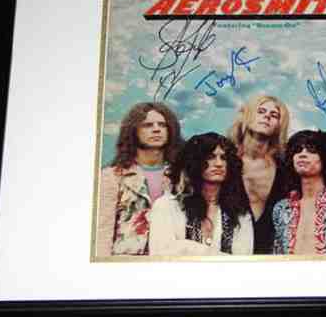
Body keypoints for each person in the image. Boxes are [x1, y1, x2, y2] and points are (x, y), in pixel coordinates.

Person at [95, 102, 183, 257]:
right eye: (147, 125)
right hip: (126, 263)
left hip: (170, 260)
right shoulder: (112, 177)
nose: (156, 129)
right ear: (133, 131)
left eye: (162, 125)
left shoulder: (181, 176)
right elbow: (102, 231)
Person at [148, 133, 253, 256]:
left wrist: (185, 247)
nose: (219, 163)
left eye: (224, 158)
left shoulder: (239, 213)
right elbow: (160, 255)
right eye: (211, 157)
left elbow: (242, 262)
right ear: (195, 161)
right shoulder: (167, 206)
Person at [228, 95, 290, 254]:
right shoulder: (225, 160)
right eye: (261, 111)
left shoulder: (284, 167)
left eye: (274, 115)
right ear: (246, 116)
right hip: (230, 251)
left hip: (269, 253)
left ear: (279, 125)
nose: (267, 116)